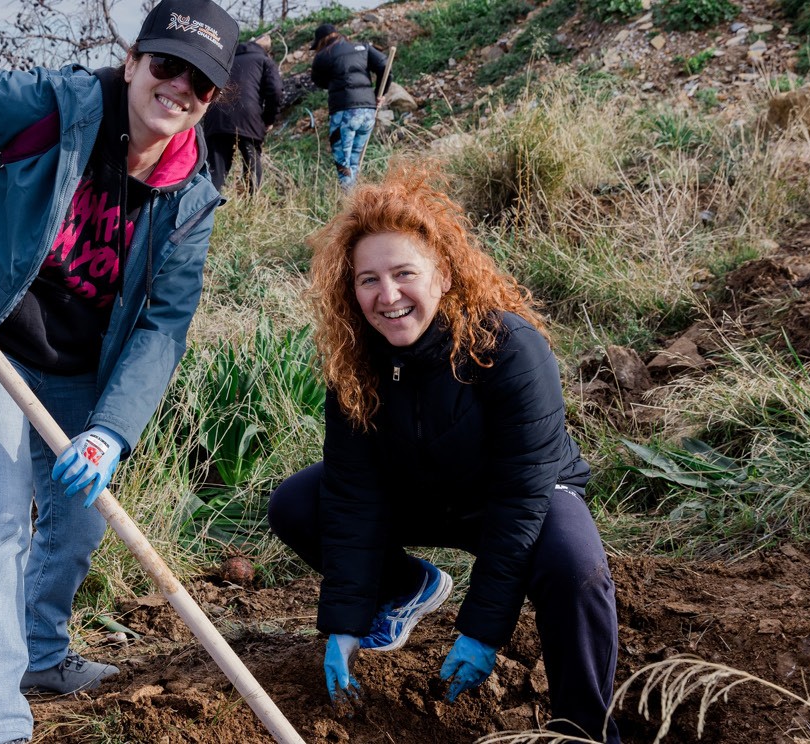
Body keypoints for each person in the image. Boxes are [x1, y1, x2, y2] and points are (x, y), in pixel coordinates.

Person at [0, 0, 238, 739]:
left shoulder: (191, 199)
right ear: (132, 62)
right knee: (1, 513)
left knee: (75, 525)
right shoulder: (57, 107)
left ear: (211, 101)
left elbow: (164, 325)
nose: (178, 87)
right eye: (166, 64)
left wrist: (110, 433)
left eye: (199, 82)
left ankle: (41, 654)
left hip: (79, 370)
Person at [267, 165, 620, 743]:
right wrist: (344, 623)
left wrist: (482, 630)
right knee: (299, 502)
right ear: (349, 291)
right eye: (368, 280)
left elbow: (520, 499)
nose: (388, 296)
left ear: (445, 276)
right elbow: (355, 496)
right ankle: (404, 589)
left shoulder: (508, 348)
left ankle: (583, 730)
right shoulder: (356, 366)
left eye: (405, 273)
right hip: (427, 494)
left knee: (575, 570)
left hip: (522, 498)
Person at [311, 23, 390, 189]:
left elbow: (318, 80)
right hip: (368, 113)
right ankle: (358, 206)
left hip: (344, 113)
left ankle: (349, 208)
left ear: (321, 41)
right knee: (354, 163)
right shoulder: (363, 48)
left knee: (344, 166)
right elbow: (385, 66)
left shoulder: (323, 56)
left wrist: (332, 82)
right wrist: (378, 95)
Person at [202, 34, 282, 194]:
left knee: (215, 171)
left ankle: (204, 207)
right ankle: (251, 207)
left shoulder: (227, 59)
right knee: (252, 165)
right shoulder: (264, 61)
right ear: (267, 50)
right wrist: (268, 119)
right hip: (248, 119)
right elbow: (276, 90)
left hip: (217, 116)